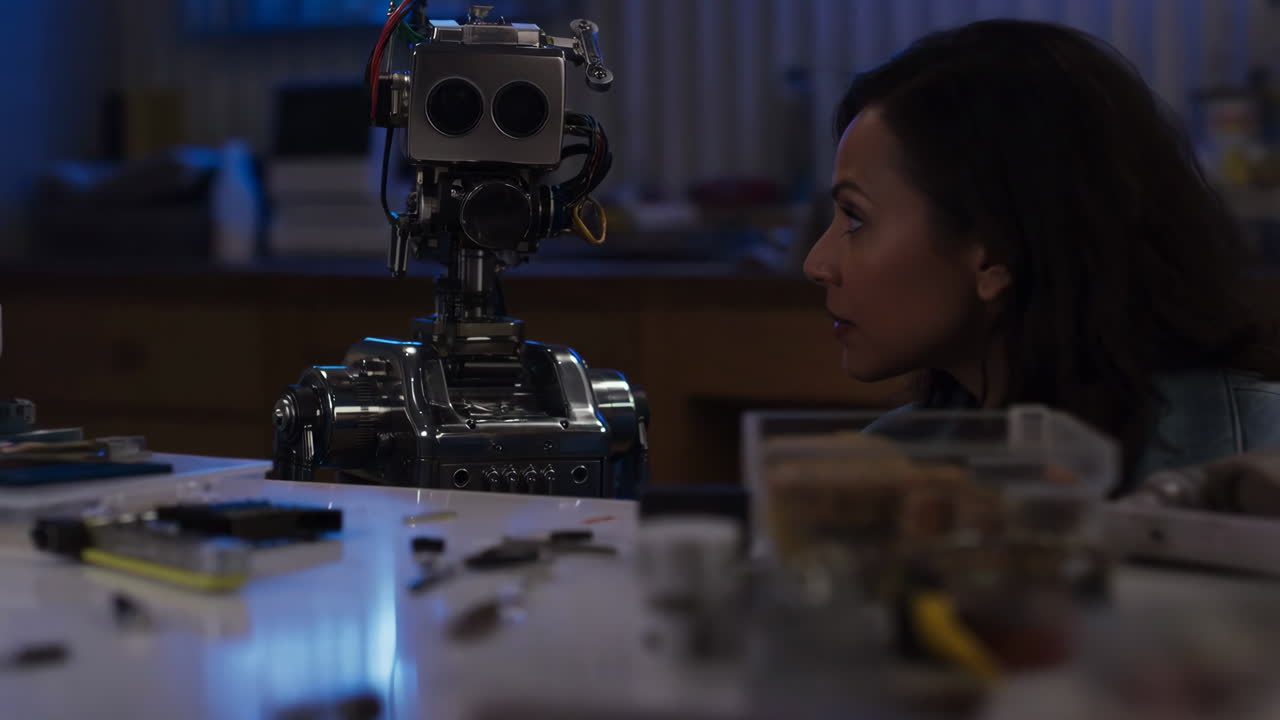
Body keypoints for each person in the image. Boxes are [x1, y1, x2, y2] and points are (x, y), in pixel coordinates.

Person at [801, 19, 1280, 499]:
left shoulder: (1264, 452)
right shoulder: (886, 476)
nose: (815, 263)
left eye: (855, 218)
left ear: (997, 250)